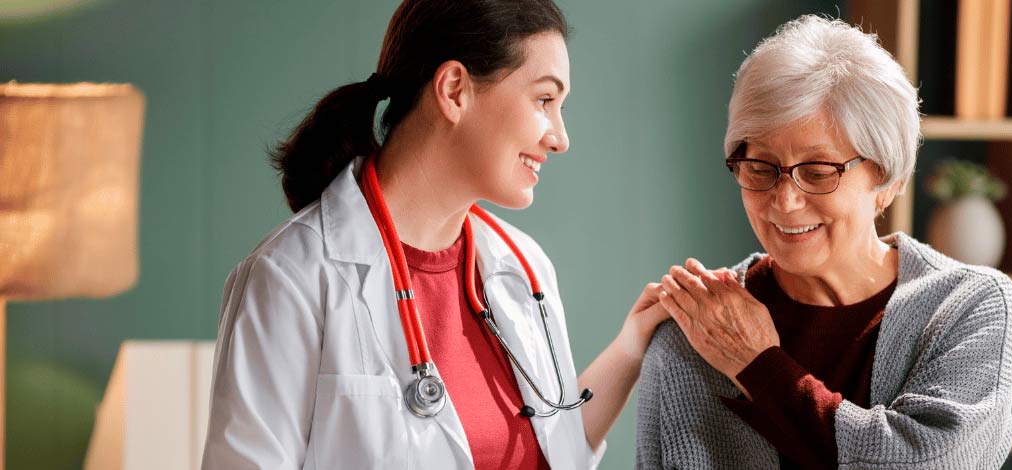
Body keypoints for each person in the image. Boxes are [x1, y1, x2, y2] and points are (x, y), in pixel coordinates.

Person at [201, 1, 668, 468]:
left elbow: (554, 448)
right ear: (454, 90)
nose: (560, 137)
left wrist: (632, 345)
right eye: (544, 100)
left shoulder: (523, 267)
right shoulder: (291, 277)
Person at [635, 15, 1012, 470]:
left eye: (818, 172)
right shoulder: (696, 333)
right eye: (760, 167)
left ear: (888, 180)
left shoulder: (968, 306)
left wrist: (759, 365)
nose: (784, 200)